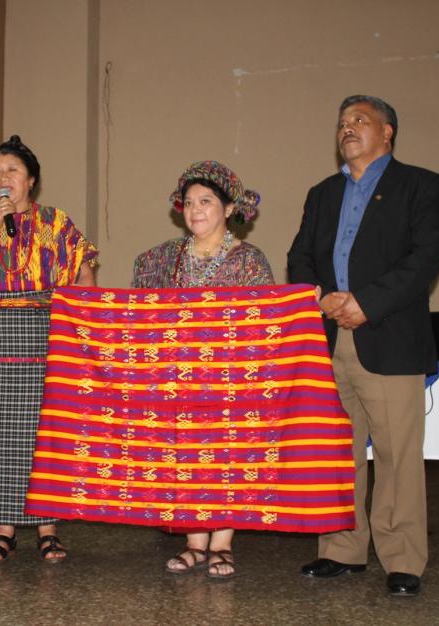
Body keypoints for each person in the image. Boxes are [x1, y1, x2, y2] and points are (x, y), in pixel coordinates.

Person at [287, 95, 439, 596]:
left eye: (359, 120)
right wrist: (320, 298)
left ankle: (403, 559)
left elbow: (423, 260)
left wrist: (366, 303)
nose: (347, 128)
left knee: (398, 456)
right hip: (329, 339)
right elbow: (300, 255)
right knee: (339, 452)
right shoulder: (322, 193)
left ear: (387, 132)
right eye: (342, 123)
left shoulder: (422, 186)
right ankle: (342, 549)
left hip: (389, 337)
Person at [0, 135, 98, 564]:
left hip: (44, 340)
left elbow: (85, 280)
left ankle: (49, 530)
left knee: (42, 438)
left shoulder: (56, 223)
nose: (4, 177)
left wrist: (80, 332)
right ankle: (3, 530)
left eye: (12, 170)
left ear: (31, 180)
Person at [132, 160, 274, 579]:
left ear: (228, 208)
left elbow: (264, 319)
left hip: (230, 378)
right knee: (186, 456)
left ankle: (222, 544)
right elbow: (143, 312)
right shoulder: (163, 259)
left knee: (226, 456)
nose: (195, 210)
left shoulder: (249, 261)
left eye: (206, 201)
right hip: (180, 377)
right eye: (190, 202)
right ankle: (194, 543)